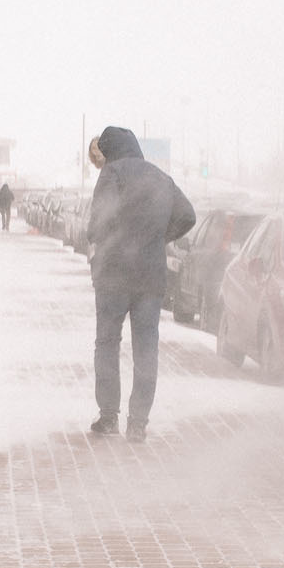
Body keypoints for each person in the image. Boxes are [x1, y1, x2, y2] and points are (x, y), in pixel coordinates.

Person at [85, 126, 194, 443]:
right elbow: (188, 215)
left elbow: (97, 224)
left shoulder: (112, 173)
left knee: (107, 343)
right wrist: (159, 237)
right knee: (146, 349)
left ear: (111, 150)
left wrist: (108, 239)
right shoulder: (160, 176)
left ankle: (108, 417)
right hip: (150, 277)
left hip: (114, 275)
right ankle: (138, 423)